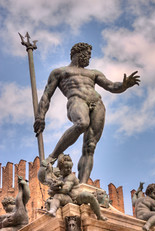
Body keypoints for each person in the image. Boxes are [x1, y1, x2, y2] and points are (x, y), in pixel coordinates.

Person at [34, 42, 141, 183]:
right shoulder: (59, 72)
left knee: (90, 146)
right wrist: (40, 117)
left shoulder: (93, 73)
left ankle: (83, 184)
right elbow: (47, 95)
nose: (89, 58)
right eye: (88, 54)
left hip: (97, 103)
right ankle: (52, 158)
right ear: (79, 53)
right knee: (82, 123)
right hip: (76, 100)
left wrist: (124, 85)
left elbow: (112, 86)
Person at [46, 154, 107, 221]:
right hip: (69, 199)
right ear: (61, 168)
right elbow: (52, 189)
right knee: (57, 196)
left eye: (70, 168)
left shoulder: (71, 176)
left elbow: (66, 189)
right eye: (66, 168)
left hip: (78, 197)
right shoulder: (60, 178)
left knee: (89, 196)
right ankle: (52, 211)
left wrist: (54, 190)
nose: (69, 170)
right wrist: (53, 189)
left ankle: (99, 215)